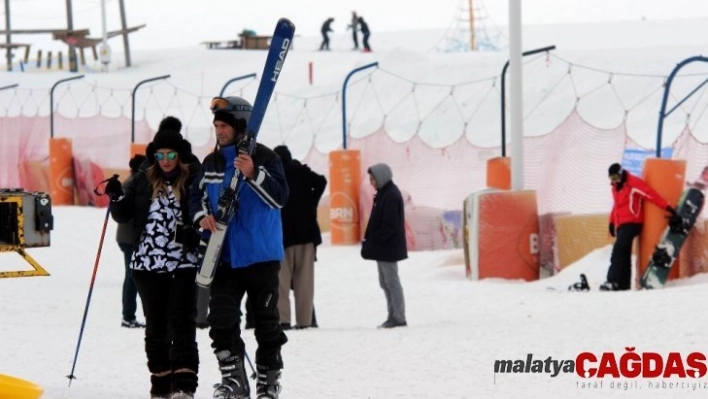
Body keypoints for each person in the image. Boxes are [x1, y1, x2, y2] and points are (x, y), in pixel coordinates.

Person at [189, 96, 289, 399]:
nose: (219, 131)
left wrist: (253, 173)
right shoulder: (212, 162)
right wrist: (200, 217)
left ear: (240, 126)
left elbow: (280, 197)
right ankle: (234, 379)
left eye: (224, 126)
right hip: (225, 258)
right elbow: (196, 196)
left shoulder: (267, 157)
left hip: (261, 256)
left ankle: (268, 381)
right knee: (220, 320)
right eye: (216, 125)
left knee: (267, 323)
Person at [106, 126, 203, 399]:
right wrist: (117, 196)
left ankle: (184, 385)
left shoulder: (194, 178)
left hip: (182, 264)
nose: (166, 160)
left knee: (182, 324)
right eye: (160, 155)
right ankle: (161, 383)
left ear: (179, 154)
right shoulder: (143, 179)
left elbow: (204, 213)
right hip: (146, 265)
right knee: (155, 326)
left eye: (171, 154)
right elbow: (123, 214)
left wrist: (193, 234)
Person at [273, 145, 327, 330]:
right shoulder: (301, 171)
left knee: (281, 281)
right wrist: (313, 202)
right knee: (305, 281)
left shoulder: (276, 176)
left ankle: (284, 320)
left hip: (283, 236)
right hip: (307, 234)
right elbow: (321, 181)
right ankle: (305, 321)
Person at [603, 163, 677, 291]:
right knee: (624, 254)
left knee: (618, 251)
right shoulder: (615, 187)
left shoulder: (633, 183)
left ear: (621, 174)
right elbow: (616, 205)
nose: (613, 181)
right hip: (621, 224)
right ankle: (623, 286)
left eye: (615, 177)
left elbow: (650, 194)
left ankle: (612, 281)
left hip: (633, 223)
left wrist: (668, 207)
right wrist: (611, 222)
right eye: (611, 178)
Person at [361, 163, 407, 328]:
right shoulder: (383, 194)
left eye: (373, 179)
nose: (371, 182)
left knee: (391, 282)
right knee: (385, 282)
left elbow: (389, 225)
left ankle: (399, 317)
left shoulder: (390, 196)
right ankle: (392, 315)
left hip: (388, 248)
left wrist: (375, 241)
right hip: (384, 247)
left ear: (381, 178)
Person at [116, 154, 147, 329]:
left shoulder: (132, 182)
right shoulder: (132, 185)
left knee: (134, 276)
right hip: (130, 238)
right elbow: (125, 213)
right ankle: (128, 316)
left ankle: (130, 315)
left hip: (130, 238)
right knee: (132, 277)